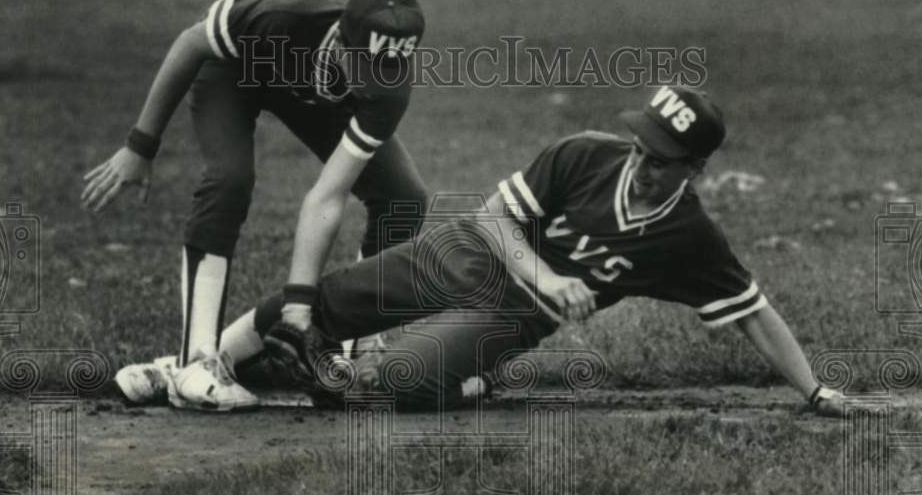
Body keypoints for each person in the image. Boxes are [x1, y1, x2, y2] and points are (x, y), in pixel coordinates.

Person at [224, 84, 847, 417]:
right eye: (640, 147)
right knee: (311, 308)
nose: (641, 165)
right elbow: (493, 217)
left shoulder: (689, 238)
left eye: (660, 160)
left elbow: (752, 312)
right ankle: (205, 362)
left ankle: (467, 382)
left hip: (512, 316)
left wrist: (816, 393)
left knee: (389, 385)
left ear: (697, 168)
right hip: (469, 251)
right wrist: (547, 275)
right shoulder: (585, 153)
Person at [82, 0, 429, 410]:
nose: (372, 83)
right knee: (230, 178)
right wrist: (140, 145)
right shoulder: (287, 13)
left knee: (402, 197)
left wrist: (301, 309)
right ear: (340, 41)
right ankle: (195, 359)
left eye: (385, 72)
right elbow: (189, 44)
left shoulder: (387, 87)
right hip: (234, 67)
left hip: (311, 88)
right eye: (365, 67)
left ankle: (358, 345)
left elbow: (328, 194)